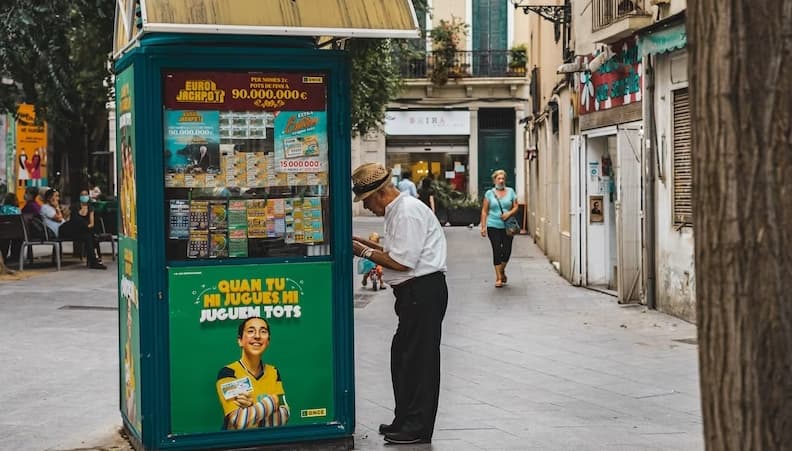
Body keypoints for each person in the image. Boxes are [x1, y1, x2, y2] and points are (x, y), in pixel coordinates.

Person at [351, 162, 448, 445]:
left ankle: (417, 426)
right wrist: (365, 245)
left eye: (367, 201)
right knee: (403, 357)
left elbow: (402, 263)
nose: (367, 207)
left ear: (380, 193)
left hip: (423, 292)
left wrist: (365, 251)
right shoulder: (396, 212)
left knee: (419, 361)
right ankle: (404, 417)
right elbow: (396, 251)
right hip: (413, 295)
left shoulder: (406, 212)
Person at [216, 317, 290, 430]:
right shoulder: (228, 373)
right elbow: (240, 421)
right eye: (251, 331)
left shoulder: (273, 371)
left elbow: (284, 416)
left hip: (268, 443)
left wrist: (251, 407)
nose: (257, 336)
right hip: (236, 445)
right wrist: (273, 401)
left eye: (263, 331)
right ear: (240, 341)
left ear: (268, 341)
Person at [40, 188, 106, 269]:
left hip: (66, 228)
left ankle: (93, 261)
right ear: (49, 198)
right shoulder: (45, 207)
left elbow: (65, 218)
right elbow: (59, 218)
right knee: (78, 220)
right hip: (60, 230)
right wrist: (57, 207)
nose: (58, 198)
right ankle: (92, 231)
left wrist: (63, 211)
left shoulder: (54, 207)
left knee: (87, 235)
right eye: (56, 196)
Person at [480, 169, 518, 288]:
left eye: (503, 178)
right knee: (497, 250)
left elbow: (516, 206)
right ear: (494, 180)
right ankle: (498, 278)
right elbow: (484, 211)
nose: (501, 181)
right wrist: (483, 226)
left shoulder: (511, 191)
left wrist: (509, 213)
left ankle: (501, 271)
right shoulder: (489, 194)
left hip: (508, 226)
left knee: (506, 251)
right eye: (499, 178)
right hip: (493, 225)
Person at [71, 189, 103, 264]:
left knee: (89, 235)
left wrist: (87, 227)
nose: (84, 196)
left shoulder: (90, 208)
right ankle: (93, 259)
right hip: (76, 230)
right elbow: (73, 221)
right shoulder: (75, 207)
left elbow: (92, 223)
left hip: (87, 229)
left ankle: (92, 259)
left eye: (85, 195)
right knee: (90, 235)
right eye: (82, 195)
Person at [0, 193, 22, 262]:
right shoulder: (17, 210)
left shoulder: (1, 209)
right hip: (16, 234)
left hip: (2, 233)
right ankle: (15, 257)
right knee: (18, 237)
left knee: (4, 238)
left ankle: (3, 256)